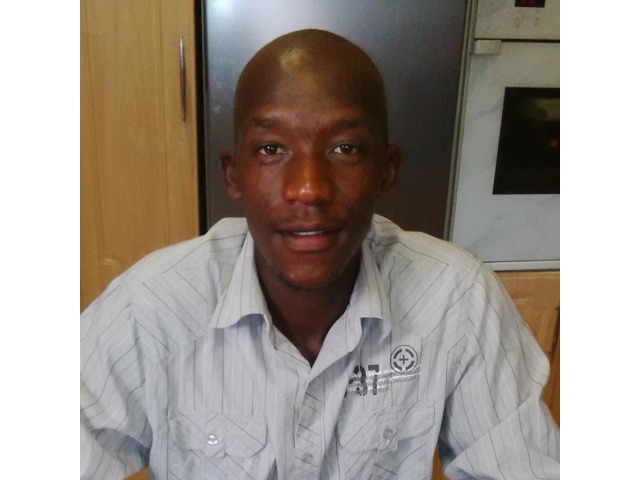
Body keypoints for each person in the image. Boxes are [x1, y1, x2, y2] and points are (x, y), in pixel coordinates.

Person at [81, 29, 559, 479]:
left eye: (344, 148)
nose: (308, 188)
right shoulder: (151, 307)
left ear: (387, 170)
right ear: (233, 174)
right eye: (271, 148)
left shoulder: (455, 296)